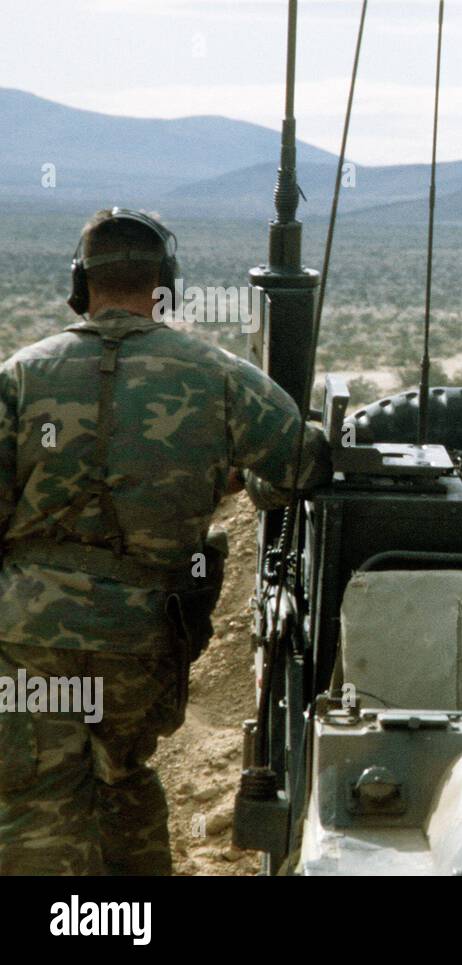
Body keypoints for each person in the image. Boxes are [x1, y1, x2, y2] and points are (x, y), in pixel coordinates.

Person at [0, 208, 331, 875]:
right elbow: (304, 461)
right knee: (124, 784)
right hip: (140, 637)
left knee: (37, 804)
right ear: (166, 286)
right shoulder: (216, 375)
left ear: (79, 284)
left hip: (28, 639)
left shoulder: (20, 375)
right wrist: (230, 478)